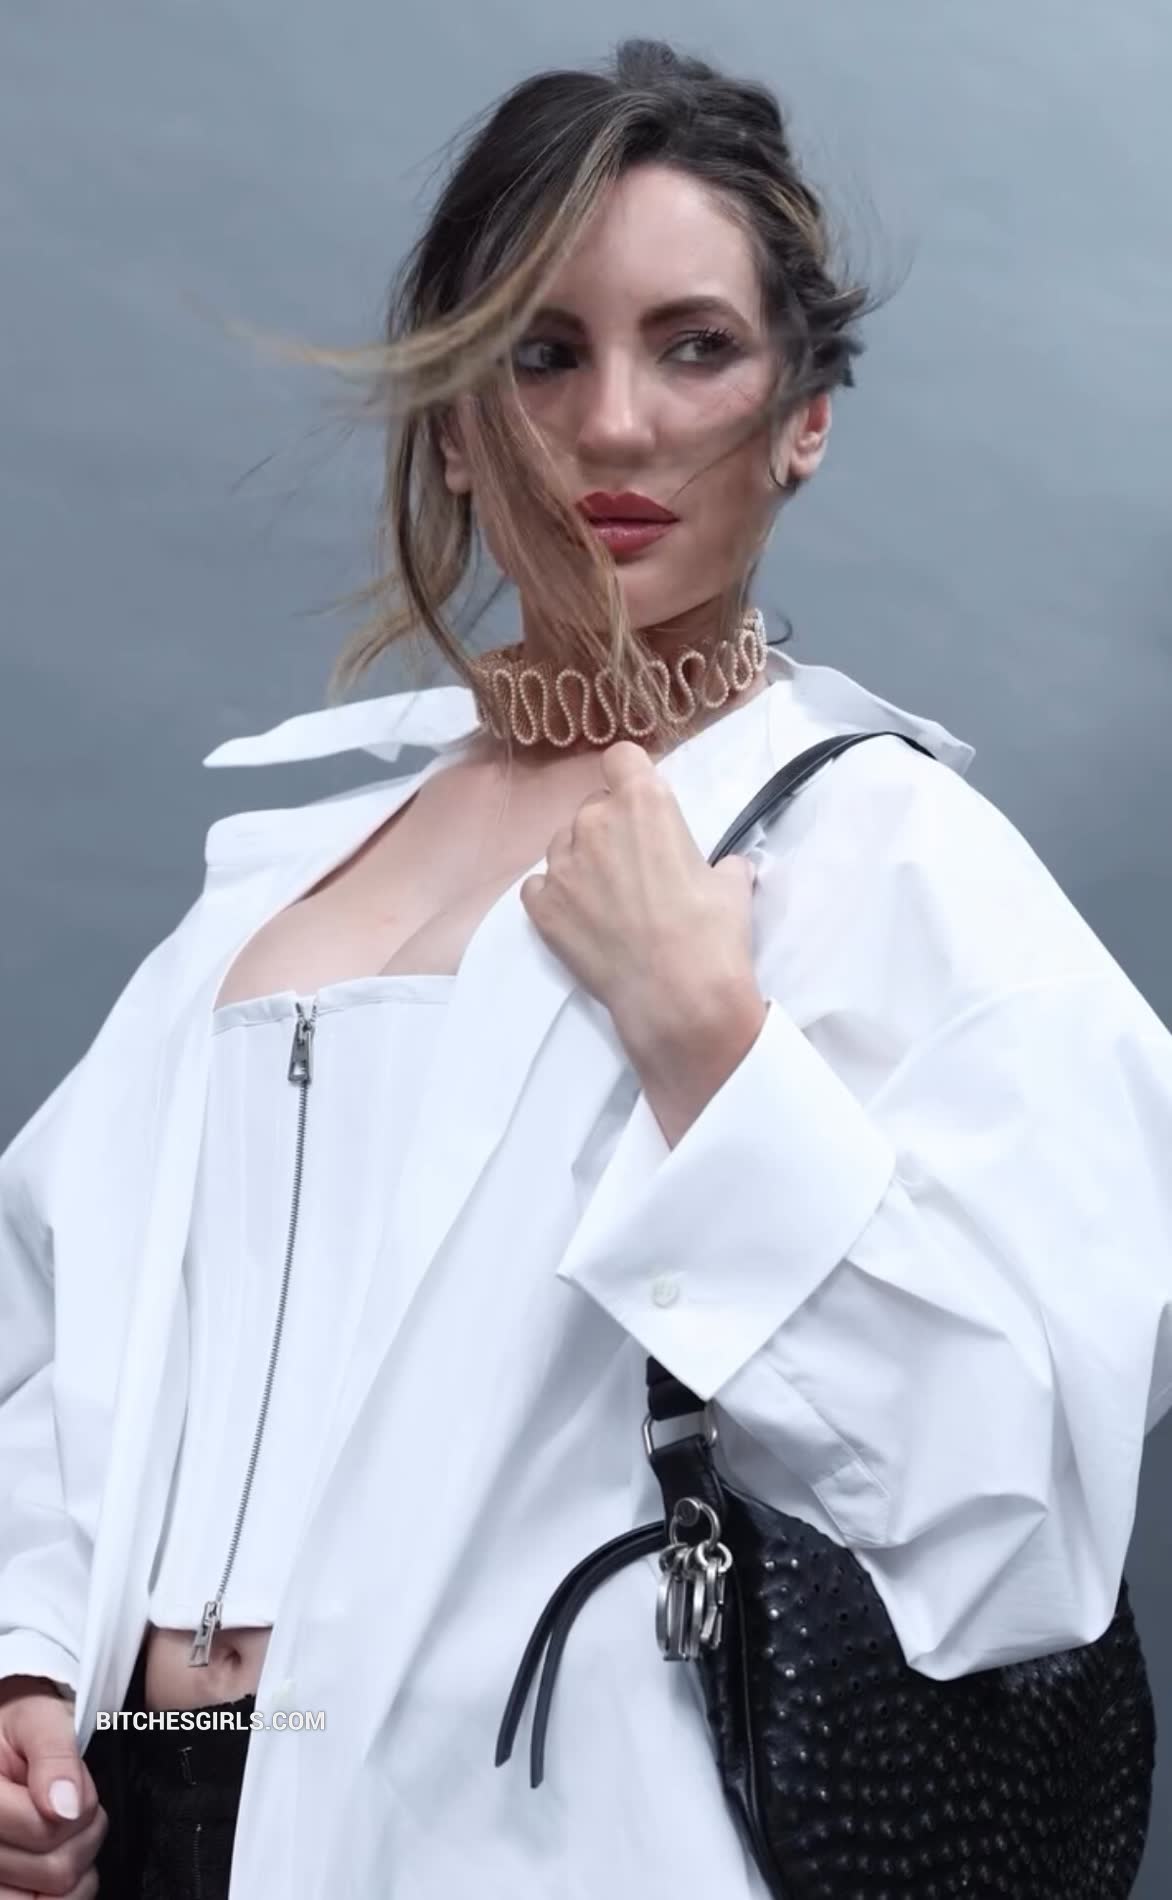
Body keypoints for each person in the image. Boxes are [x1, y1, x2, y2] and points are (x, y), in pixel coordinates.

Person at [0, 34, 1169, 1900]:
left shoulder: (884, 858)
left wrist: (712, 1045)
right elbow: (53, 1333)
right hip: (147, 1824)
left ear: (802, 414)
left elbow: (1017, 1512)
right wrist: (30, 1663)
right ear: (458, 422)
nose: (616, 427)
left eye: (695, 347)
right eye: (544, 353)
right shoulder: (282, 876)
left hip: (543, 1840)